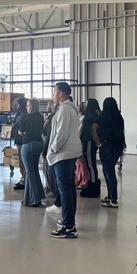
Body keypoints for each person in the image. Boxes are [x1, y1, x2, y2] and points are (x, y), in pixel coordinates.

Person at [46, 82, 82, 238]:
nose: (53, 95)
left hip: (62, 154)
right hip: (68, 153)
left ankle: (68, 226)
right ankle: (69, 221)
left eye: (54, 92)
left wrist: (53, 149)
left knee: (65, 190)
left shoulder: (65, 110)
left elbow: (61, 135)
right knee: (69, 189)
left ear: (60, 93)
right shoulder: (68, 108)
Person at [97, 97, 126, 208]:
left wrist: (98, 143)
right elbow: (121, 132)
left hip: (106, 146)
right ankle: (110, 196)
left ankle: (113, 199)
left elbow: (94, 128)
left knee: (109, 172)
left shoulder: (102, 117)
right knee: (109, 171)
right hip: (117, 146)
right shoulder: (119, 117)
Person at [19, 99, 46, 207]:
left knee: (29, 172)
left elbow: (20, 130)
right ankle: (38, 195)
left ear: (32, 106)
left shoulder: (26, 117)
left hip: (28, 145)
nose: (27, 107)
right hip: (39, 144)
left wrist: (22, 132)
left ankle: (33, 199)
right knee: (34, 170)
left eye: (28, 105)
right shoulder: (40, 117)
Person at [79, 99, 101, 198]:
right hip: (89, 142)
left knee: (91, 164)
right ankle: (91, 182)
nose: (85, 105)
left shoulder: (90, 117)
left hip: (89, 142)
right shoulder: (96, 115)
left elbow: (90, 130)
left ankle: (93, 184)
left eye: (87, 104)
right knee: (89, 164)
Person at [10, 96, 28, 190]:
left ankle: (24, 180)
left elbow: (17, 124)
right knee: (21, 161)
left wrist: (13, 126)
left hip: (22, 140)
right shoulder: (19, 113)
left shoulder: (23, 114)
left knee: (22, 161)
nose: (14, 106)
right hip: (19, 140)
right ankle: (23, 178)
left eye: (16, 104)